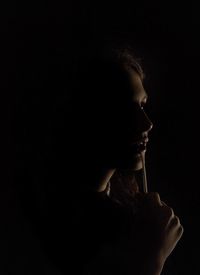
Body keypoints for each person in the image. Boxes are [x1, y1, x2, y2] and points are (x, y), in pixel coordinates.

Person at [38, 39, 184, 275]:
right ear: (89, 116)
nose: (147, 123)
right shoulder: (57, 226)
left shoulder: (122, 205)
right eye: (127, 109)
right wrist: (152, 259)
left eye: (143, 105)